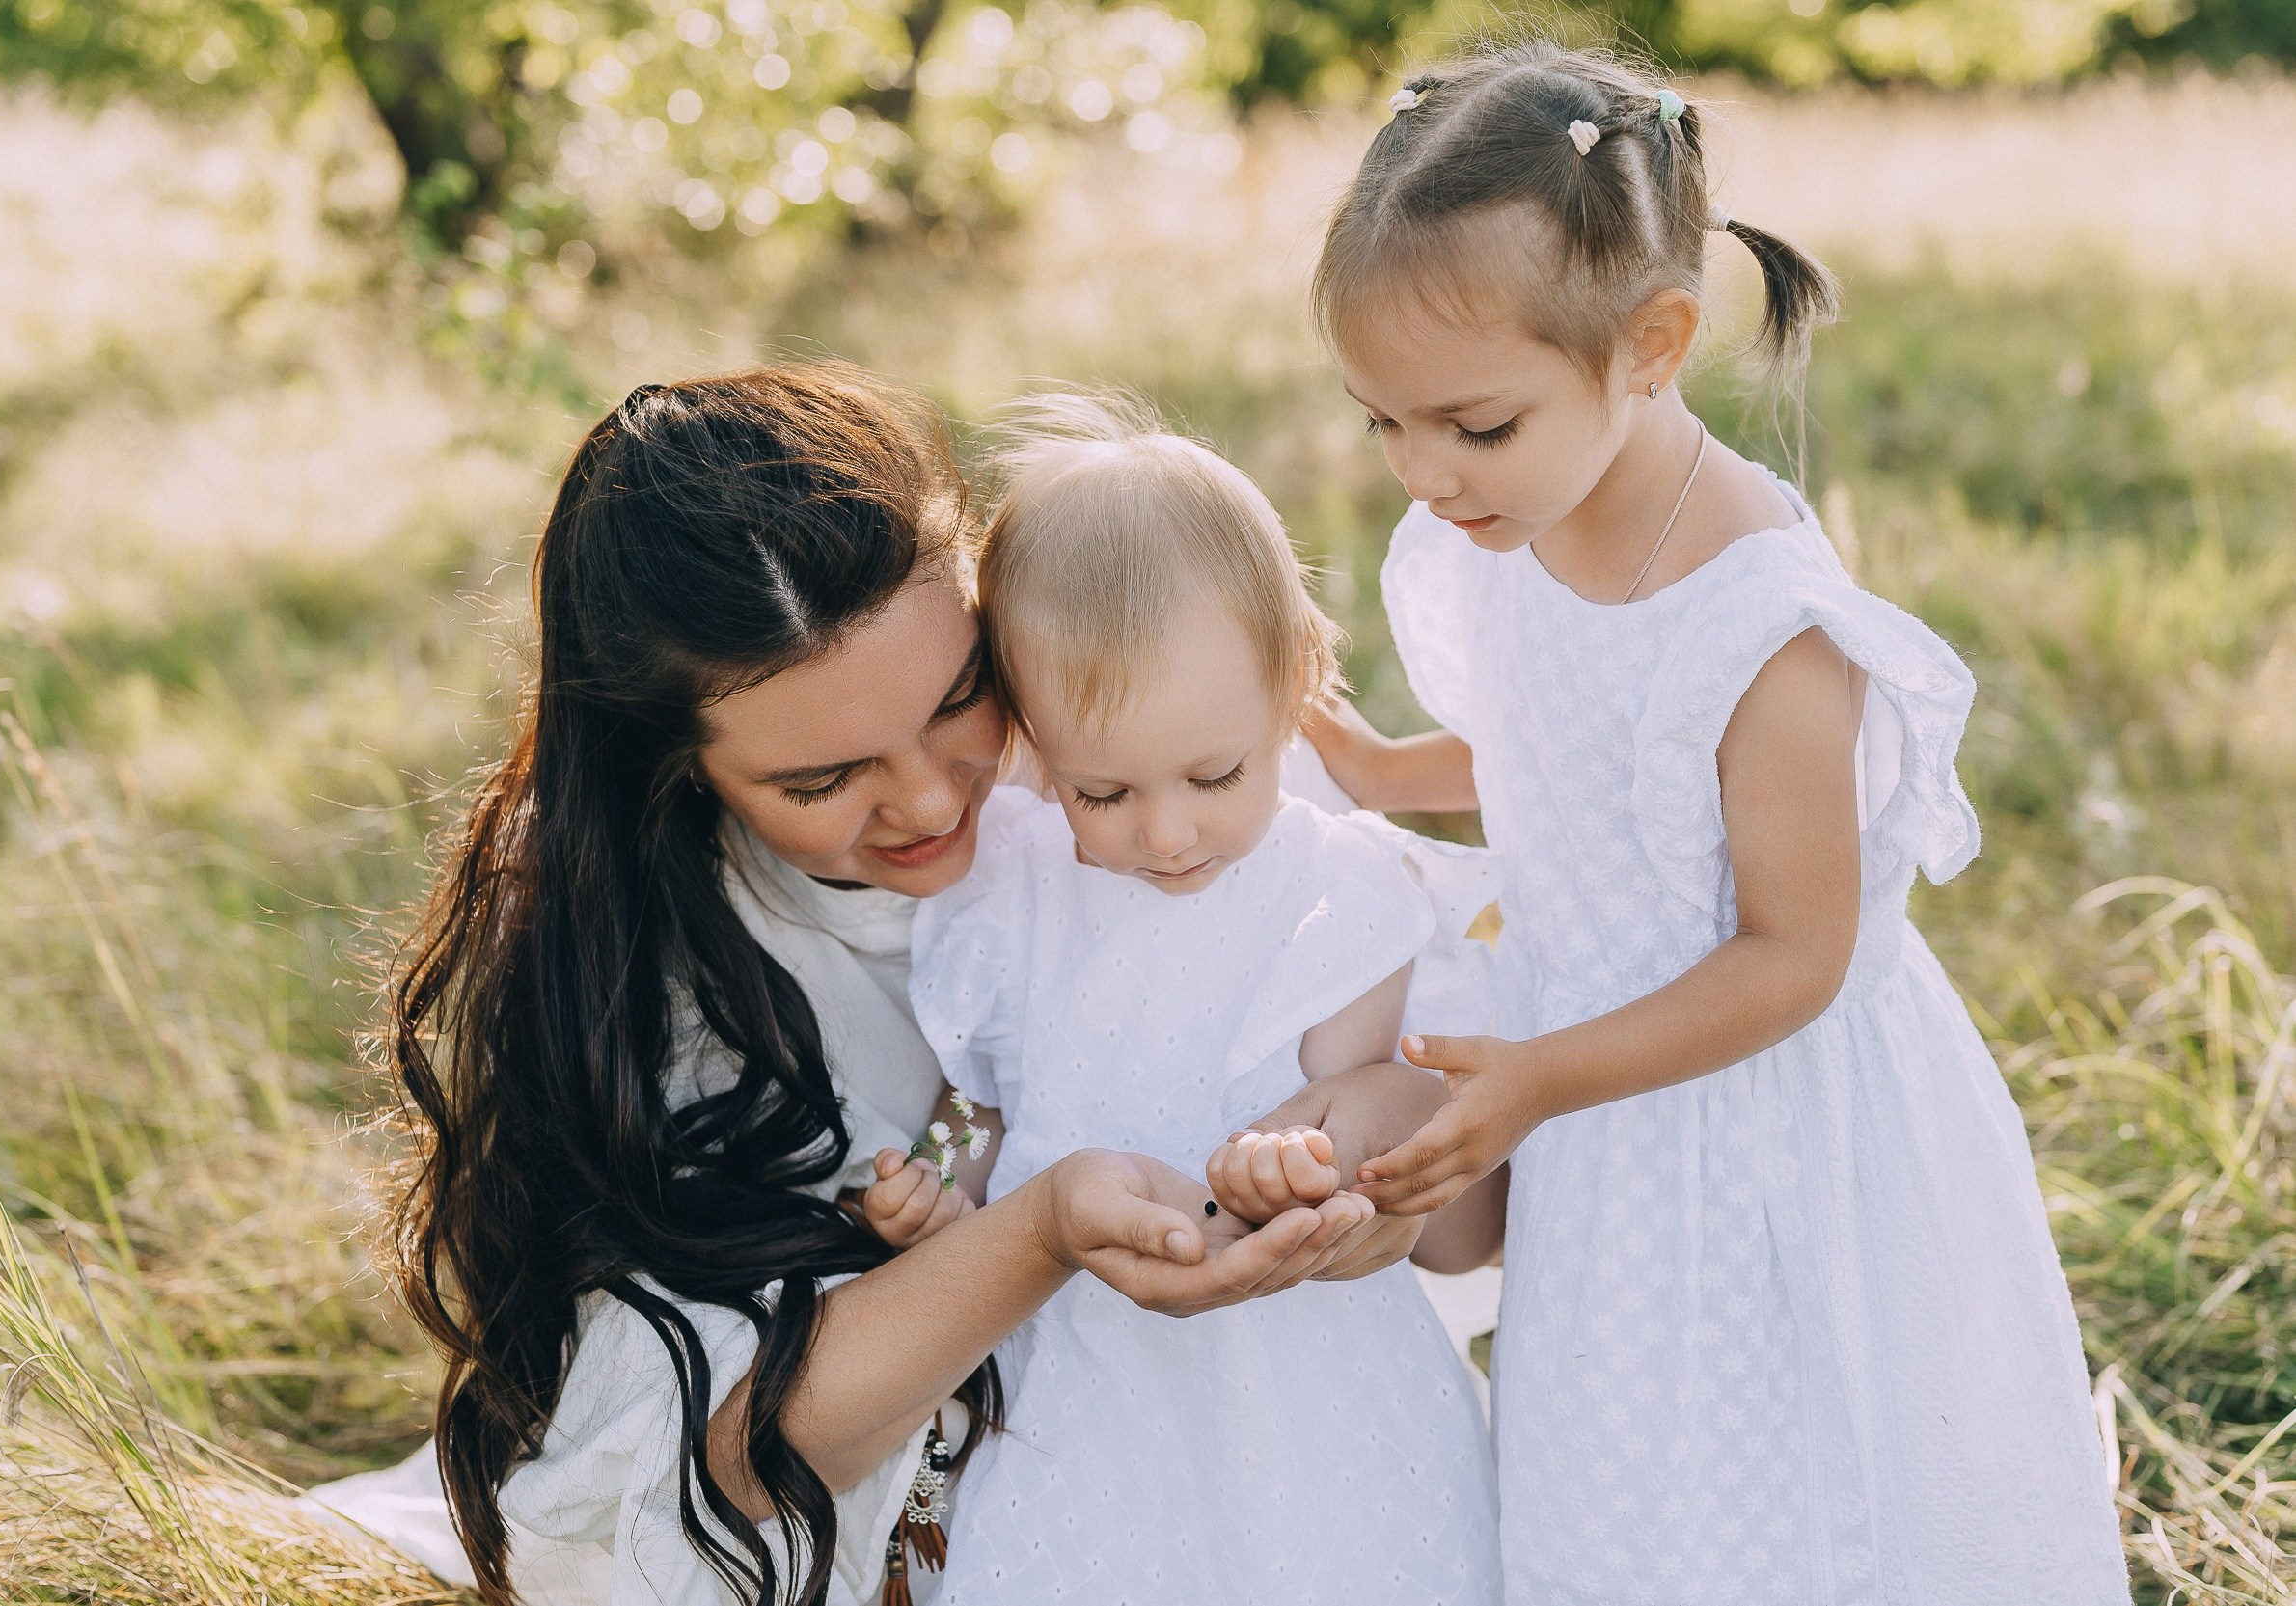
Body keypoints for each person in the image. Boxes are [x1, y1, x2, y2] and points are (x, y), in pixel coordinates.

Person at [306, 365, 1417, 1606]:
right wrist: (1037, 1228)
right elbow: (707, 1481)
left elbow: (1436, 1174)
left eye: (959, 699)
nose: (937, 801)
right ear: (678, 774)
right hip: (929, 1489)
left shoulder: (1147, 761)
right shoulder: (642, 982)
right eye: (822, 780)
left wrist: (1363, 1184)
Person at [1300, 41, 2131, 1604]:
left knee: (1788, 1482)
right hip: (1612, 1111)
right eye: (1381, 424)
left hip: (1756, 1123)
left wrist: (1545, 1075)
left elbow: (1796, 954)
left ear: (1655, 344)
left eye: (1471, 426)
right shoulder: (1520, 517)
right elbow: (1564, 753)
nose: (1425, 472)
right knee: (1619, 1484)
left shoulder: (1762, 625)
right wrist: (1382, 768)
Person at [856, 395, 1504, 1603]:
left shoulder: (1332, 891)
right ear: (1029, 743)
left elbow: (1390, 1087)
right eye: (1103, 792)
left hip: (1300, 1363)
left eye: (1215, 774)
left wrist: (1317, 1149)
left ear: (1293, 691)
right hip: (1084, 1358)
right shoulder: (1017, 888)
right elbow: (982, 1101)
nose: (1166, 832)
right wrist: (937, 1185)